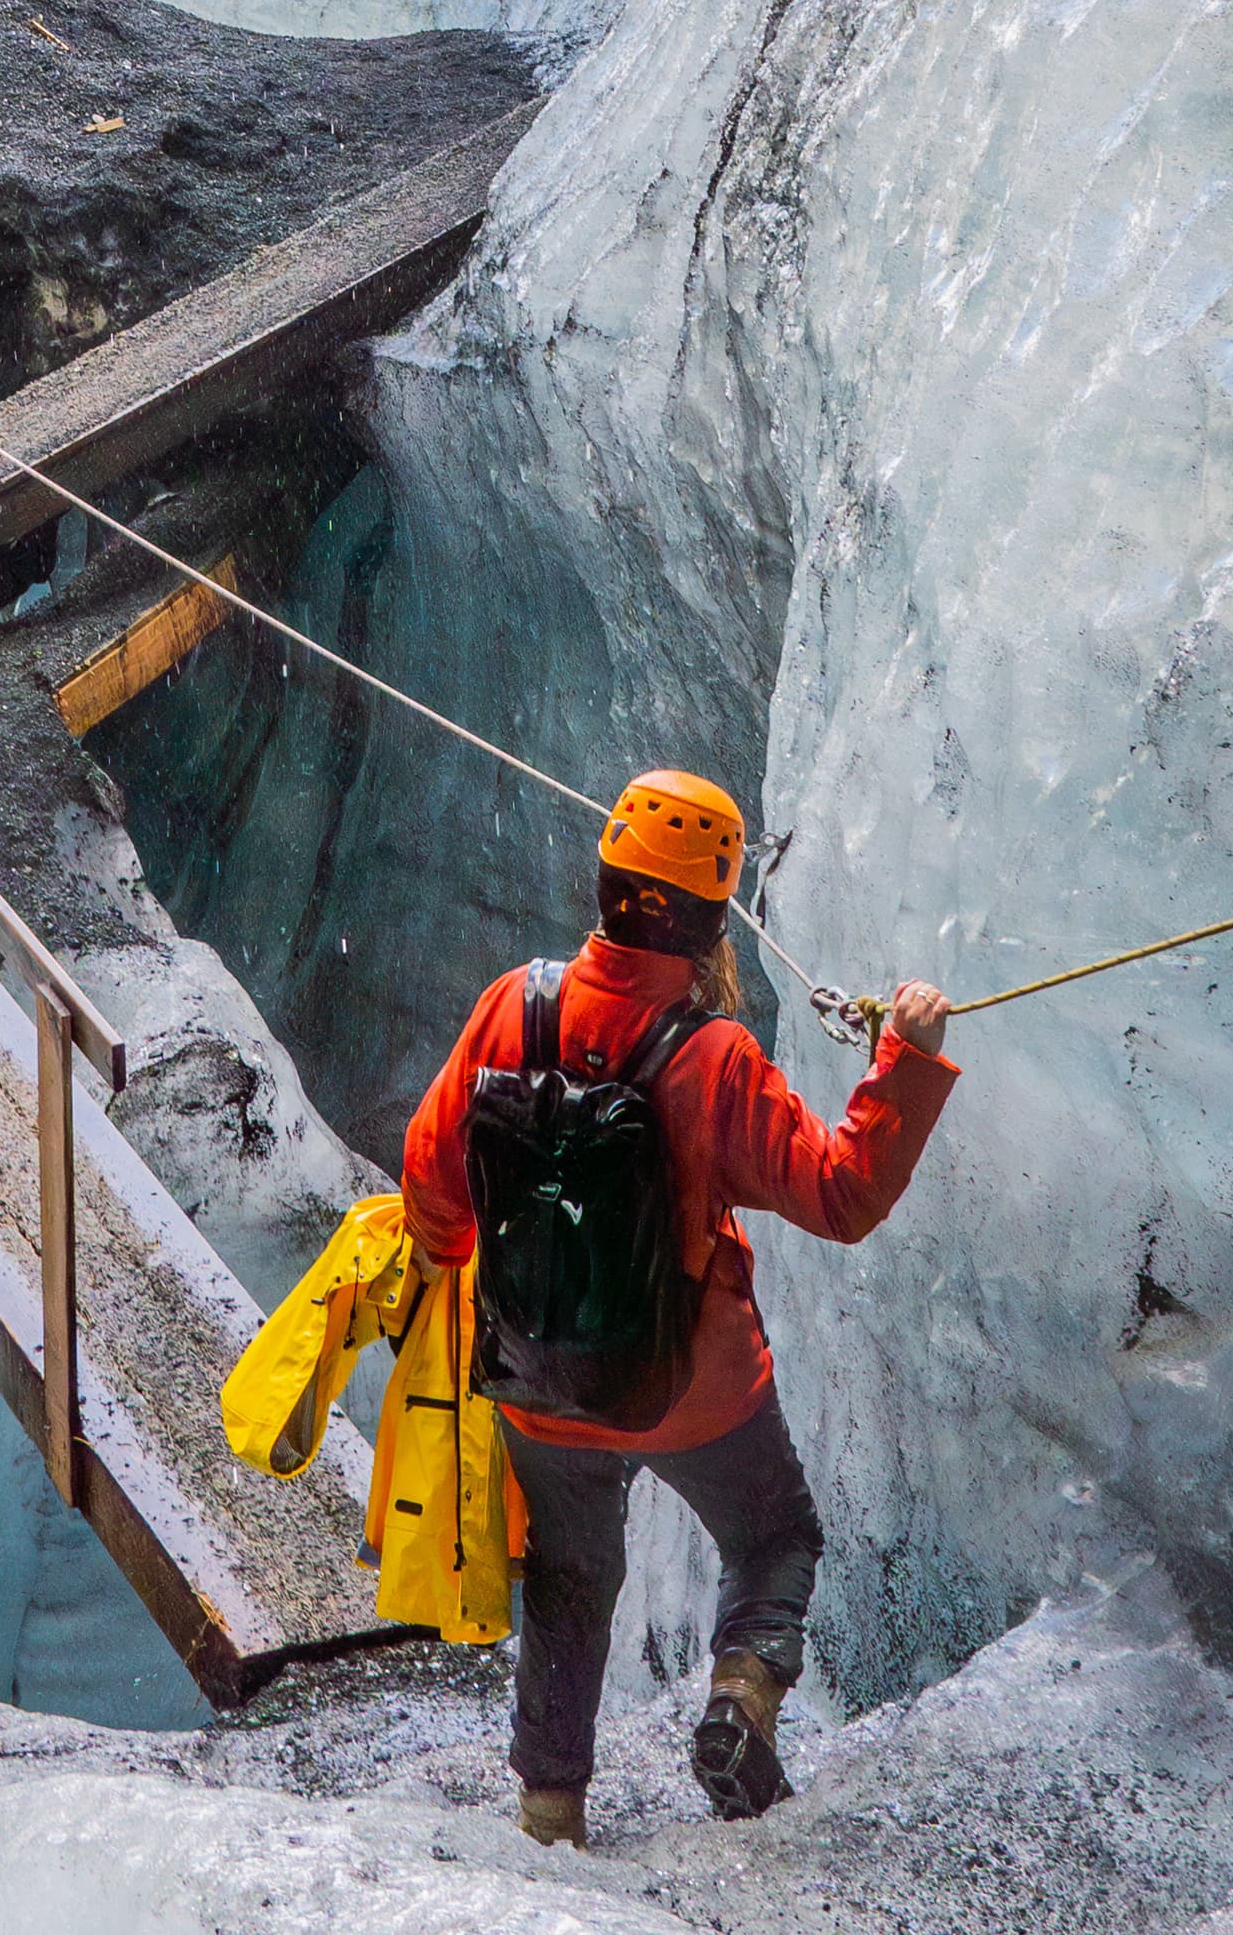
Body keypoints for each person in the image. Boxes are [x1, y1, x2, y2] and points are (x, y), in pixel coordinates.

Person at [401, 768, 956, 1844]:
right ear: (710, 919)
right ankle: (740, 1698)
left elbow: (432, 1183)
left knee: (568, 1576)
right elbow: (840, 1195)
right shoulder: (714, 1058)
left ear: (605, 880)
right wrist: (906, 1064)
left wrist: (499, 1267)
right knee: (773, 1537)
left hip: (537, 1376)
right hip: (691, 1391)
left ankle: (551, 1805)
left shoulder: (512, 1007)